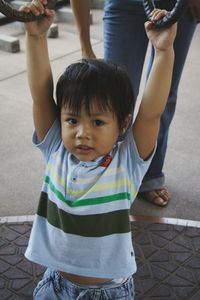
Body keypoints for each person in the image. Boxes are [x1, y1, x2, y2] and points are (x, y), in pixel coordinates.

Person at [21, 0, 176, 298]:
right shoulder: (56, 148)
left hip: (108, 291)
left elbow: (151, 113)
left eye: (98, 121)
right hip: (55, 285)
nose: (82, 133)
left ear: (122, 124)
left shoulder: (126, 161)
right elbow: (42, 97)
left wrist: (163, 51)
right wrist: (35, 37)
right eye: (72, 119)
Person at [70, 0, 199, 206]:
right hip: (124, 4)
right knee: (116, 98)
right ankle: (109, 175)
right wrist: (85, 46)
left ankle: (150, 176)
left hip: (178, 4)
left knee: (164, 96)